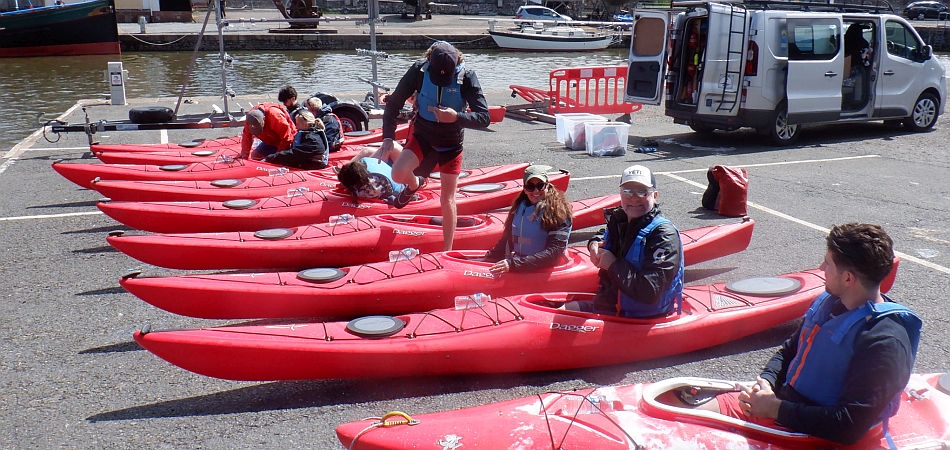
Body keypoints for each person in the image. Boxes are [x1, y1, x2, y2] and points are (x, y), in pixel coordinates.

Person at [677, 223, 920, 446]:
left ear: (848, 278)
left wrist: (775, 409)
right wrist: (767, 382)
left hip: (811, 433)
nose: (820, 268)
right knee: (678, 406)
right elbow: (791, 349)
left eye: (828, 263)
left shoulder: (885, 341)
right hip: (786, 406)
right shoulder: (831, 303)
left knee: (681, 424)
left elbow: (849, 426)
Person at [376, 41, 491, 251]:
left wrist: (457, 116)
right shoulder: (418, 71)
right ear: (429, 61)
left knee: (447, 200)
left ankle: (447, 251)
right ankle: (414, 184)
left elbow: (484, 117)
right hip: (423, 136)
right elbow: (394, 103)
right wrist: (387, 138)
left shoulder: (467, 77)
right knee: (398, 173)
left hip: (451, 143)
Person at [576, 165, 684, 317]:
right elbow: (604, 233)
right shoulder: (621, 219)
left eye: (641, 192)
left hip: (639, 318)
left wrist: (613, 265)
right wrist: (594, 242)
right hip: (610, 303)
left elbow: (651, 291)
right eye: (627, 192)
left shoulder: (664, 236)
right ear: (620, 194)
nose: (633, 198)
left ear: (655, 195)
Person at [483, 165, 573, 275]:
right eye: (530, 186)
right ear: (525, 188)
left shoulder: (559, 212)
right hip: (521, 263)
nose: (535, 191)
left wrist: (514, 264)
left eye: (540, 186)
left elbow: (554, 252)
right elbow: (507, 240)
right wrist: (487, 260)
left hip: (547, 269)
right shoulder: (519, 207)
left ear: (547, 186)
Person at [336, 144, 407, 207]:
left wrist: (349, 189)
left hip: (399, 190)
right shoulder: (364, 161)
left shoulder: (372, 185)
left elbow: (367, 196)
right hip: (391, 177)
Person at [261, 109, 329, 170]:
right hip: (304, 164)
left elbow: (294, 154)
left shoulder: (313, 141)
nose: (296, 127)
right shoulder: (310, 135)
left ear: (306, 125)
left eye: (297, 124)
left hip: (311, 168)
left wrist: (270, 158)